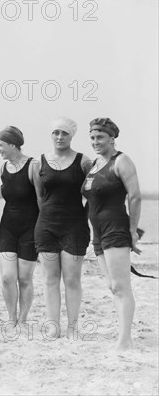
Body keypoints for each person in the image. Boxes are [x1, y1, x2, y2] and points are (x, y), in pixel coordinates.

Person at [82, 118, 141, 351]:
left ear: (112, 138)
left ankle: (125, 339)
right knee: (111, 285)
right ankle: (123, 333)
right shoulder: (94, 165)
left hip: (116, 227)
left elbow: (134, 196)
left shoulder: (122, 161)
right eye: (92, 138)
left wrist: (133, 231)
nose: (95, 142)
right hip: (97, 232)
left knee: (121, 285)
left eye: (100, 137)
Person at [32, 117, 92, 338]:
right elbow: (40, 197)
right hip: (46, 226)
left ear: (72, 135)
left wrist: (81, 217)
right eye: (56, 132)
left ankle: (73, 326)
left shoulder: (84, 161)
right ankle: (53, 325)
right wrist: (47, 216)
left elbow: (92, 195)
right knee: (49, 279)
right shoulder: (39, 162)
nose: (59, 137)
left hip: (74, 226)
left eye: (64, 133)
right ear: (51, 134)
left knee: (72, 279)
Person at [0, 126, 38, 326]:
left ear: (13, 145)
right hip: (7, 228)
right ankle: (11, 316)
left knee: (25, 278)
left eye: (0, 145)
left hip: (30, 228)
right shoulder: (4, 168)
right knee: (7, 277)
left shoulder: (33, 166)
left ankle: (22, 318)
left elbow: (41, 200)